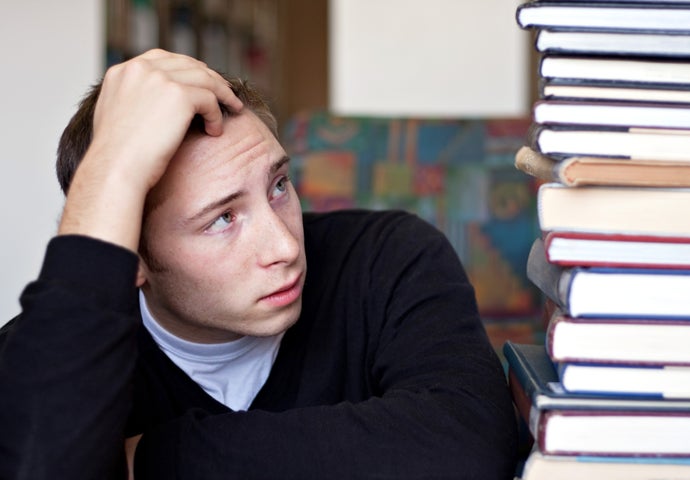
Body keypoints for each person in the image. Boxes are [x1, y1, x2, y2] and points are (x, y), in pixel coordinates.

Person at [0, 49, 518, 479]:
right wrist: (110, 171)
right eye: (222, 219)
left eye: (278, 186)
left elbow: (470, 444)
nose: (286, 247)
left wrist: (147, 459)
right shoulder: (51, 357)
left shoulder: (386, 256)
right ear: (132, 255)